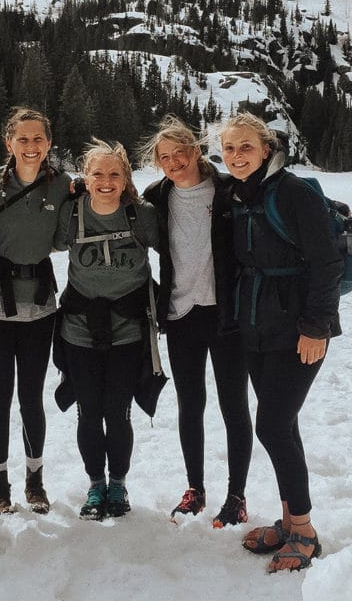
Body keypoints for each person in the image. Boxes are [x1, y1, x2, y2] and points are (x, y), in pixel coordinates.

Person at [218, 113, 342, 573]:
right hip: (256, 328)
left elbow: (327, 263)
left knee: (271, 425)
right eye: (229, 148)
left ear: (266, 148)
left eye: (245, 146)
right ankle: (290, 521)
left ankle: (305, 531)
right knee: (283, 426)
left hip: (298, 330)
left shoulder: (293, 193)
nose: (236, 156)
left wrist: (317, 327)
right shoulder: (240, 194)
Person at [140, 116, 253, 528]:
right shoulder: (156, 196)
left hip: (227, 315)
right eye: (164, 157)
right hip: (180, 314)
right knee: (191, 406)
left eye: (180, 153)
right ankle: (196, 490)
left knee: (233, 405)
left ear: (196, 150)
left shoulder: (229, 190)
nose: (173, 162)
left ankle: (236, 496)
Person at [53, 139, 159, 520]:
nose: (106, 181)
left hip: (129, 332)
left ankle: (119, 484)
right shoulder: (72, 213)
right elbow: (36, 239)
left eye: (115, 174)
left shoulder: (140, 215)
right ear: (85, 177)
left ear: (126, 178)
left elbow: (180, 247)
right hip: (80, 330)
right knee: (88, 411)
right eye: (97, 173)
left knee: (118, 412)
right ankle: (95, 486)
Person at [0, 109, 72, 514]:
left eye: (38, 139)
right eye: (23, 139)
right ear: (8, 142)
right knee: (0, 395)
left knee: (31, 396)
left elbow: (66, 239)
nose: (31, 147)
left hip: (38, 305)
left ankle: (35, 480)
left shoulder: (63, 184)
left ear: (49, 143)